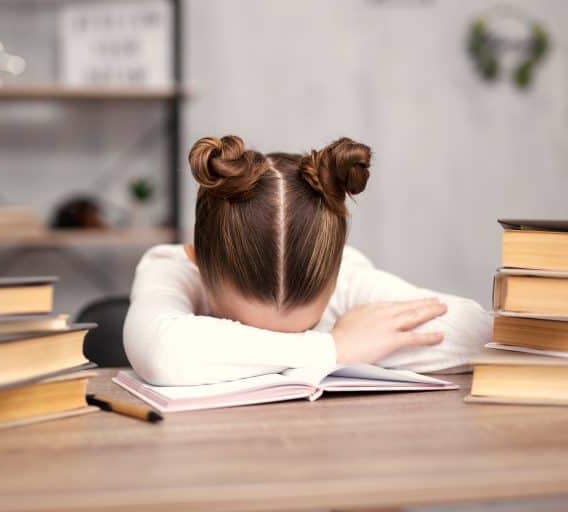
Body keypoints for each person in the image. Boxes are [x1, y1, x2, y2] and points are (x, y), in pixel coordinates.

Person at [123, 135, 492, 386]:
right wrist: (336, 347)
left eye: (303, 327)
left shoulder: (346, 275)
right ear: (198, 260)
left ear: (334, 271)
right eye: (248, 329)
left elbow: (479, 333)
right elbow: (162, 352)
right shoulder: (172, 267)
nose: (278, 340)